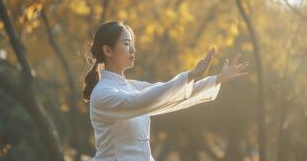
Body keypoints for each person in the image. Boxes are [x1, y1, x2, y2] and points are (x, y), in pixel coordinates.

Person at [83, 21, 250, 161]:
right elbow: (146, 99)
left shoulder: (131, 87)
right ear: (108, 50)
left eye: (132, 44)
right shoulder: (103, 93)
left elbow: (170, 95)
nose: (133, 50)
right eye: (126, 44)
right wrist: (191, 74)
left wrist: (217, 79)